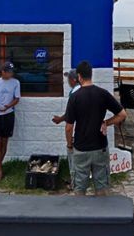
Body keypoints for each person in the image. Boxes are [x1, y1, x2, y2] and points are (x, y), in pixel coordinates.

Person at [64, 60, 126, 195]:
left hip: (81, 148)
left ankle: (81, 215)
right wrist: (106, 123)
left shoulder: (75, 97)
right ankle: (101, 214)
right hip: (100, 148)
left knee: (79, 189)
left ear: (79, 77)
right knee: (102, 188)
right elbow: (122, 114)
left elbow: (69, 127)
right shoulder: (103, 94)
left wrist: (69, 145)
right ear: (91, 75)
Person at [0, 61, 20, 182]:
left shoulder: (16, 83)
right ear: (3, 72)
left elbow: (17, 99)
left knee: (5, 141)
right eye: (9, 72)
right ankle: (0, 169)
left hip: (8, 114)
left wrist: (8, 106)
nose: (11, 74)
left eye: (12, 71)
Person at [51, 69, 81, 187]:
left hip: (77, 131)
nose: (67, 81)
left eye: (68, 78)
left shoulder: (74, 93)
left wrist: (69, 142)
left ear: (73, 80)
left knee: (73, 157)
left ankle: (74, 183)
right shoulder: (83, 89)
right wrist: (60, 119)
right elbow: (70, 113)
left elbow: (70, 119)